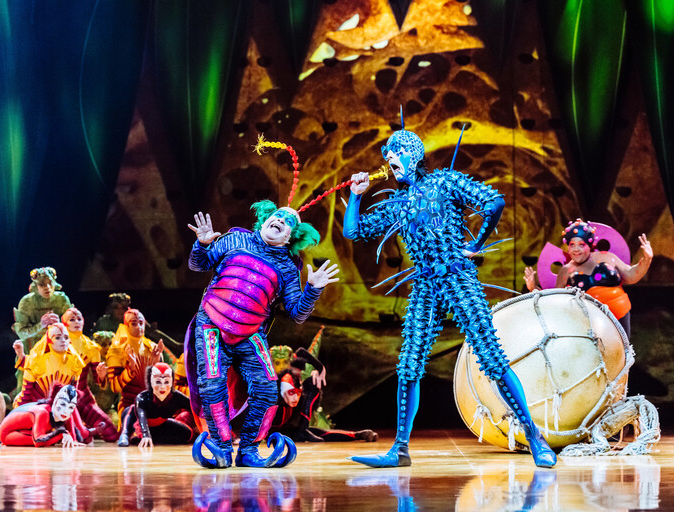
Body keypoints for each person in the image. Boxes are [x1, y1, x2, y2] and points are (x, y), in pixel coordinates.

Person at [342, 121, 556, 468]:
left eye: (398, 151)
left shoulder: (443, 181)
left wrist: (477, 243)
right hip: (425, 284)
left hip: (458, 277)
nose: (391, 158)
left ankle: (534, 436)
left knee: (491, 358)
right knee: (408, 365)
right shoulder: (398, 202)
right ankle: (400, 449)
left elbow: (494, 201)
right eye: (389, 154)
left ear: (415, 155)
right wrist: (355, 194)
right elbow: (354, 231)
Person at [185, 202, 340, 468]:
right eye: (277, 215)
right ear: (266, 219)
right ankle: (221, 448)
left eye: (288, 222)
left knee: (267, 390)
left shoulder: (289, 268)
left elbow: (297, 314)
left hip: (250, 334)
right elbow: (197, 264)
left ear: (290, 237)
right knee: (212, 384)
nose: (280, 220)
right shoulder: (235, 239)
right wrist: (201, 244)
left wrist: (313, 290)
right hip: (211, 325)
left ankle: (249, 450)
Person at [524, 219, 653, 337]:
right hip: (587, 323)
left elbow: (631, 275)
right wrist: (533, 288)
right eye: (572, 244)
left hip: (619, 314)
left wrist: (647, 259)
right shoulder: (565, 271)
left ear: (589, 245)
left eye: (581, 244)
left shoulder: (607, 257)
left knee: (622, 352)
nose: (576, 249)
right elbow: (554, 299)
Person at [61, 308, 119, 442]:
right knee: (77, 436)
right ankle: (79, 431)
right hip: (62, 398)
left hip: (83, 396)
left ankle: (84, 430)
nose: (77, 322)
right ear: (64, 323)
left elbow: (98, 381)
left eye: (79, 319)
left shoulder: (91, 347)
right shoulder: (58, 342)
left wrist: (102, 376)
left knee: (112, 434)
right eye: (72, 319)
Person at [106, 309, 170, 420]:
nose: (139, 327)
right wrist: (130, 370)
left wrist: (156, 363)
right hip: (130, 405)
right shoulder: (117, 350)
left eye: (141, 323)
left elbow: (162, 383)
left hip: (152, 402)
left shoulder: (152, 347)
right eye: (134, 324)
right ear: (126, 326)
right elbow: (114, 387)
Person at [117, 362, 196, 447]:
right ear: (151, 382)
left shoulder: (177, 397)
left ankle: (150, 439)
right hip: (138, 422)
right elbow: (141, 417)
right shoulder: (142, 398)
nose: (162, 387)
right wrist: (145, 434)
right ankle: (125, 434)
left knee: (187, 434)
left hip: (159, 426)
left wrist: (201, 427)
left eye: (166, 382)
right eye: (158, 382)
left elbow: (195, 408)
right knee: (132, 409)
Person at [12, 323, 85, 409]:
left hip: (63, 408)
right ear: (49, 340)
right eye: (57, 337)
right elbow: (26, 396)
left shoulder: (75, 362)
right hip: (36, 408)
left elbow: (73, 396)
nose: (63, 340)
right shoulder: (36, 362)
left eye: (66, 337)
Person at [0, 384, 93, 447]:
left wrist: (73, 440)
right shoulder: (42, 413)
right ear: (55, 402)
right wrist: (61, 434)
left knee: (51, 437)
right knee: (47, 440)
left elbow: (70, 431)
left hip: (25, 429)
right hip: (7, 434)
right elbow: (38, 441)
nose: (66, 411)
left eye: (71, 407)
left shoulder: (66, 414)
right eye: (62, 404)